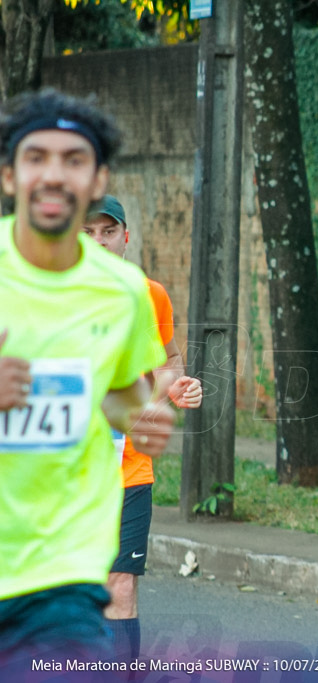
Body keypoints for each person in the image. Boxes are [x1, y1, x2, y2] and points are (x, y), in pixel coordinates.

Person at [0, 89, 174, 672]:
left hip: (65, 568)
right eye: (36, 157)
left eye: (73, 159)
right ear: (8, 174)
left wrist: (143, 413)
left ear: (97, 178)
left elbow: (126, 393)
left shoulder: (124, 292)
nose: (54, 173)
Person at [82, 194, 203, 664]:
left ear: (126, 237)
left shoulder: (151, 295)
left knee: (120, 585)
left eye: (108, 232)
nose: (99, 242)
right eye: (86, 233)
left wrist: (174, 390)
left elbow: (170, 362)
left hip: (128, 470)